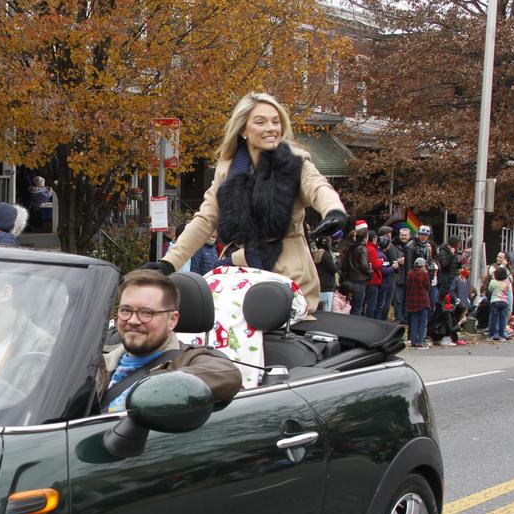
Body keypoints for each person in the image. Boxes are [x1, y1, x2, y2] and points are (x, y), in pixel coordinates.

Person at [146, 92, 348, 312]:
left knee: (273, 332)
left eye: (276, 121)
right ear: (243, 130)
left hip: (287, 272)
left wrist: (334, 211)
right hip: (240, 269)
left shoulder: (295, 162)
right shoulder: (227, 170)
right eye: (260, 122)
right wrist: (170, 262)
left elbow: (318, 187)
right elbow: (205, 219)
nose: (271, 128)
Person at [97, 269, 242, 412]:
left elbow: (227, 374)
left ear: (172, 320)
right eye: (126, 310)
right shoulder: (97, 359)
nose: (133, 320)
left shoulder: (190, 359)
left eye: (147, 313)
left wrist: (151, 385)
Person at [341, 223, 371, 316]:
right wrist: (370, 272)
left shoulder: (349, 248)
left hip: (349, 279)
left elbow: (344, 265)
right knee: (358, 307)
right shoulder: (362, 249)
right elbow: (364, 264)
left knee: (349, 305)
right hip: (360, 280)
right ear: (364, 238)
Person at [406, 257, 432, 348]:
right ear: (422, 266)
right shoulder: (424, 274)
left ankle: (413, 341)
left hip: (412, 301)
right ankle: (420, 341)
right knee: (423, 322)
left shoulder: (409, 274)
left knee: (414, 322)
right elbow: (427, 286)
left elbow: (407, 286)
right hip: (422, 301)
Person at [486, 265, 513, 342]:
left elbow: (490, 289)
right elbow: (508, 293)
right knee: (502, 319)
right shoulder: (507, 283)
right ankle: (502, 336)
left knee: (493, 319)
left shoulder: (493, 282)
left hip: (495, 301)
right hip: (504, 302)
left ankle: (491, 336)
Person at [390, 226, 411, 323]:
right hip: (398, 276)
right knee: (398, 299)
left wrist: (406, 261)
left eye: (405, 235)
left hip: (409, 277)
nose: (403, 237)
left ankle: (406, 318)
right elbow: (391, 259)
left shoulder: (412, 246)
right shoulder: (393, 246)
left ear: (409, 236)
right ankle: (399, 318)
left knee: (407, 299)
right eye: (402, 235)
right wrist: (397, 261)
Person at [373, 232, 396, 320]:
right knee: (380, 305)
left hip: (379, 283)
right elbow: (384, 271)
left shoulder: (377, 252)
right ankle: (378, 322)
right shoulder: (383, 256)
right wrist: (393, 267)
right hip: (383, 284)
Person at [313, 235, 339, 312]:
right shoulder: (326, 255)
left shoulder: (315, 253)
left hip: (319, 285)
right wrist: (338, 261)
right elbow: (334, 269)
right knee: (326, 310)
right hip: (327, 286)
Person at [363, 230, 384, 319]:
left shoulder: (366, 247)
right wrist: (381, 261)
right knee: (371, 304)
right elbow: (374, 265)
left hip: (367, 279)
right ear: (373, 238)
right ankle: (369, 321)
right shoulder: (371, 249)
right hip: (373, 279)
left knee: (364, 303)